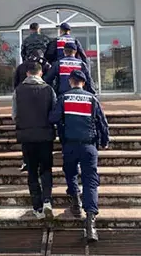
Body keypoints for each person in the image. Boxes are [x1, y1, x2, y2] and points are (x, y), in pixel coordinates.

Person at [49, 69, 109, 242]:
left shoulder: (64, 98)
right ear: (83, 82)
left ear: (70, 82)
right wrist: (105, 141)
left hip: (69, 145)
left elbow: (53, 118)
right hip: (89, 146)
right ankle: (90, 223)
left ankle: (75, 202)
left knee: (70, 173)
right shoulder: (92, 99)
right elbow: (102, 123)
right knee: (91, 181)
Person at [12, 61, 57, 220]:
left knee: (31, 172)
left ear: (27, 74)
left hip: (27, 137)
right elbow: (54, 112)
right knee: (46, 169)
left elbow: (14, 115)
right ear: (41, 73)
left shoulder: (18, 91)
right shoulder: (48, 89)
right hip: (45, 136)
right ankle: (47, 200)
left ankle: (37, 207)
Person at [14, 49, 53, 173]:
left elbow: (14, 113)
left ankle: (26, 163)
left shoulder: (21, 67)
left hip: (24, 110)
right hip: (44, 125)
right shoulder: (48, 86)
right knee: (45, 167)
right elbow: (53, 108)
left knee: (31, 167)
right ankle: (46, 191)